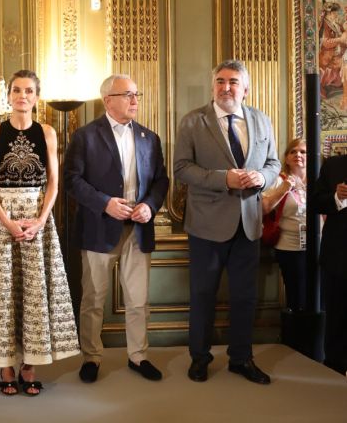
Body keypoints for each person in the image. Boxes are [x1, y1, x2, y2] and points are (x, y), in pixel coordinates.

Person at [0, 70, 78, 396]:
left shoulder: (48, 132)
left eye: (28, 91)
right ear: (8, 96)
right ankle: (6, 365)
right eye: (17, 90)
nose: (22, 96)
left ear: (36, 97)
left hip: (38, 219)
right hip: (2, 220)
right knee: (4, 292)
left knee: (34, 292)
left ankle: (30, 365)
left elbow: (54, 183)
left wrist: (39, 220)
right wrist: (8, 222)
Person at [173, 59, 280, 384]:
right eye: (220, 81)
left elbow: (274, 163)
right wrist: (224, 179)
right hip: (206, 226)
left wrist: (261, 177)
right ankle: (200, 358)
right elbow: (181, 169)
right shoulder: (193, 121)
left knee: (245, 297)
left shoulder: (261, 121)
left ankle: (241, 358)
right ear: (213, 86)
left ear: (245, 88)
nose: (226, 87)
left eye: (233, 82)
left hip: (248, 224)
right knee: (203, 295)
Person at [64, 74, 169, 384]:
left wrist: (149, 205)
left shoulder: (150, 138)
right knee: (94, 298)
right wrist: (104, 203)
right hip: (98, 227)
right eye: (128, 95)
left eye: (137, 94)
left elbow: (161, 181)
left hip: (138, 229)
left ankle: (139, 356)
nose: (135, 100)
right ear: (108, 100)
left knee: (138, 299)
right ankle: (91, 358)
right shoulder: (85, 137)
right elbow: (71, 179)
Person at [309, 152, 347, 375]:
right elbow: (315, 202)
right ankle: (335, 372)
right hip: (339, 257)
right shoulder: (333, 165)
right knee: (337, 317)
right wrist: (336, 198)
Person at [261, 138, 308, 312]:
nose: (298, 155)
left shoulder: (320, 181)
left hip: (319, 247)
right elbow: (263, 209)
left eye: (303, 152)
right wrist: (284, 189)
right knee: (297, 297)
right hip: (290, 248)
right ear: (286, 158)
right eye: (293, 151)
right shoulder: (278, 180)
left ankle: (318, 337)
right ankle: (296, 336)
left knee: (320, 295)